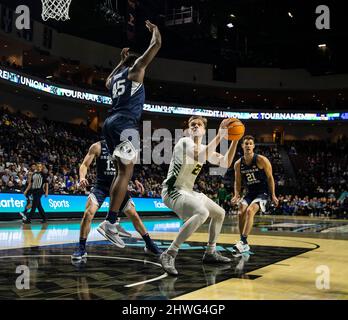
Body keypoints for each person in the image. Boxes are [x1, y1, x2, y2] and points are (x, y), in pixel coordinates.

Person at [98, 20, 161, 245]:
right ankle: (110, 222)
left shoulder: (117, 76)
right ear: (137, 66)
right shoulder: (136, 71)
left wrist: (120, 62)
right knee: (126, 173)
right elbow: (156, 46)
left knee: (120, 173)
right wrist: (155, 31)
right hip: (126, 124)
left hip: (110, 123)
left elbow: (106, 83)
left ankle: (112, 221)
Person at [159, 116, 240, 276]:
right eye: (192, 124)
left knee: (219, 213)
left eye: (199, 124)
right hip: (172, 190)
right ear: (188, 130)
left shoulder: (204, 147)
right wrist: (220, 135)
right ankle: (169, 253)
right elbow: (200, 156)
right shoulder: (184, 142)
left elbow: (226, 163)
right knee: (202, 212)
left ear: (204, 130)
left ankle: (210, 252)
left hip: (187, 191)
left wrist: (235, 139)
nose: (195, 126)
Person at [71, 140, 162, 260]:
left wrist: (135, 180)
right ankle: (81, 248)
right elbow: (84, 165)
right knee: (88, 213)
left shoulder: (123, 147)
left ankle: (149, 244)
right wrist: (82, 177)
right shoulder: (97, 146)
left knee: (134, 215)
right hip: (101, 186)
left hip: (119, 187)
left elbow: (127, 167)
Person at [232, 135, 279, 253]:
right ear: (242, 146)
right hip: (250, 193)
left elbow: (270, 178)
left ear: (253, 146)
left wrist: (273, 195)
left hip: (262, 193)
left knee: (249, 211)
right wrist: (236, 194)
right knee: (241, 211)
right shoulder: (238, 163)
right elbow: (237, 181)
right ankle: (243, 242)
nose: (248, 145)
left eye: (250, 143)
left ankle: (243, 240)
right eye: (246, 143)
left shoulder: (261, 160)